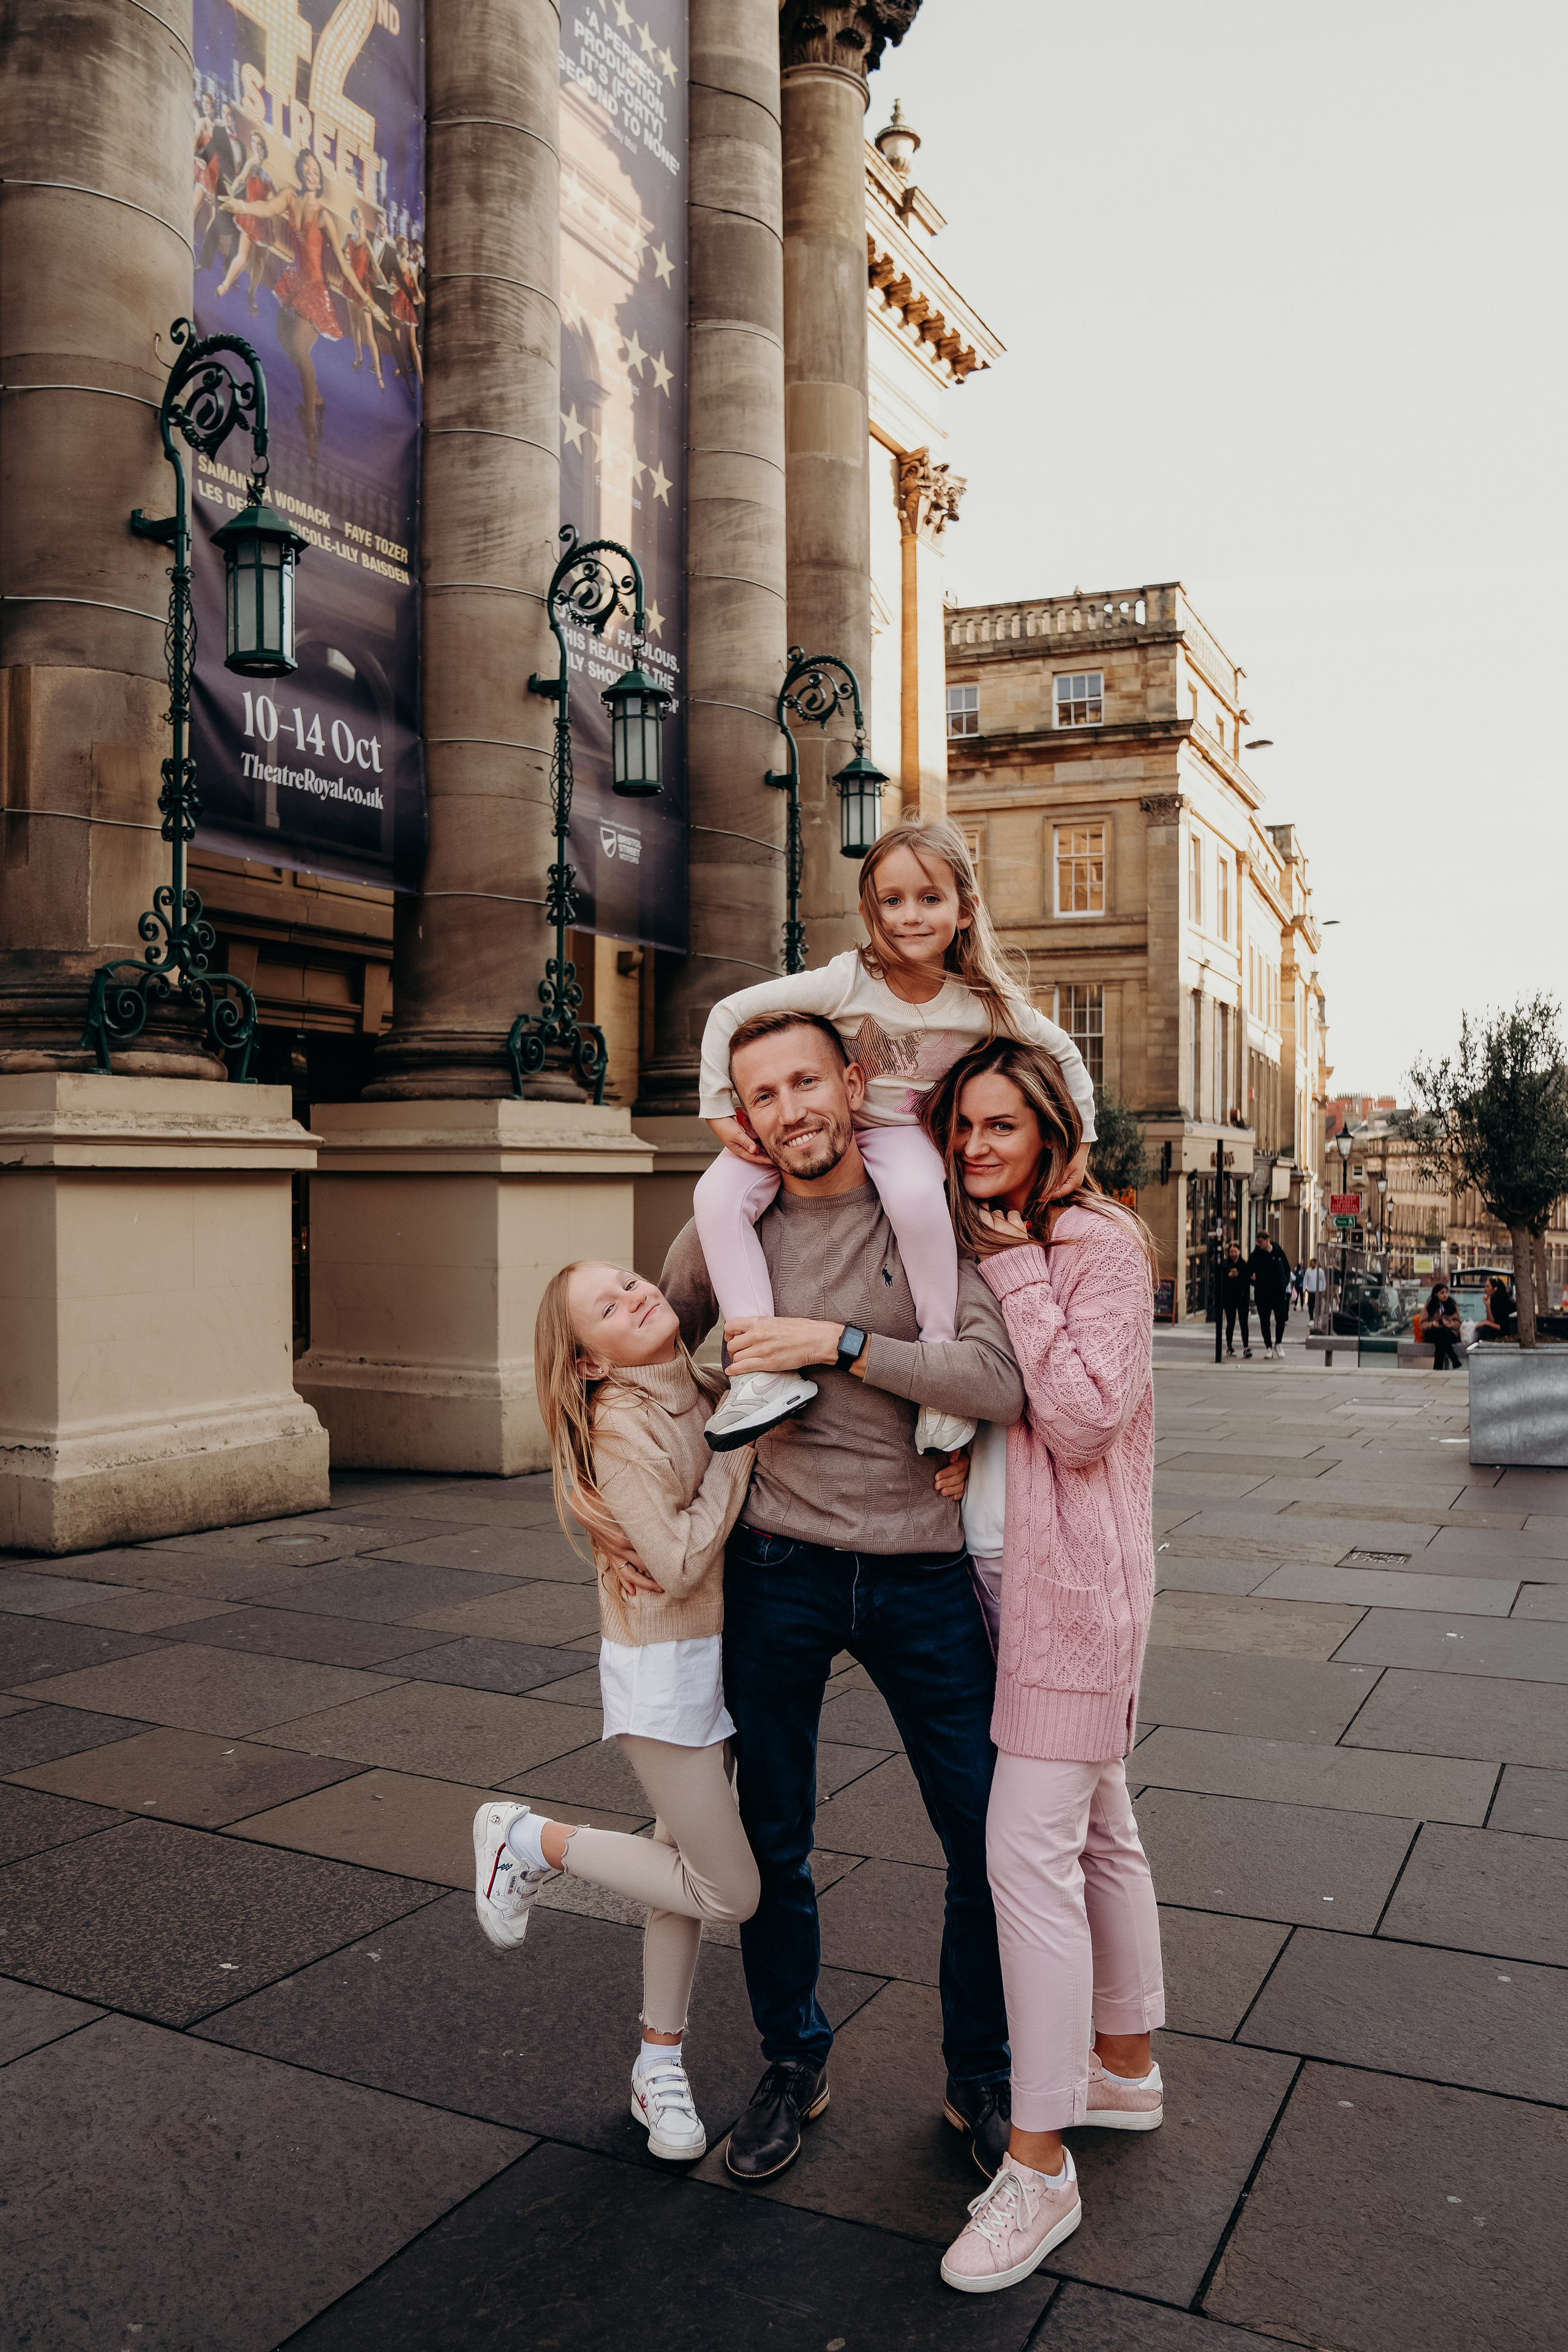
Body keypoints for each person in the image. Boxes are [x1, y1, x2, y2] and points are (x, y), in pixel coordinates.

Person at [653, 1007, 1028, 2182]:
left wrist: (840, 1345)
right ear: (745, 1119)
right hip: (780, 1563)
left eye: (806, 1083)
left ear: (851, 1083)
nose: (791, 1111)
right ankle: (792, 2061)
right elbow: (651, 1350)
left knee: (981, 1838)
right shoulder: (725, 1229)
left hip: (920, 1568)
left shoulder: (932, 1214)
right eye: (764, 1097)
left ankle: (981, 2074)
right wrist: (627, 1499)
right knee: (773, 1836)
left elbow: (993, 1379)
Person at [921, 1039, 1164, 2296]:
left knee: (1022, 1855)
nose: (974, 1148)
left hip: (1071, 1599)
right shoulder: (984, 1237)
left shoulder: (1093, 1245)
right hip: (1003, 1582)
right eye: (961, 1125)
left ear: (1051, 1130)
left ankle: (1038, 2165)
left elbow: (1077, 1415)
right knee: (1098, 1832)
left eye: (1000, 1126)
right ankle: (1120, 2066)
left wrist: (1015, 1266)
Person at [472, 1259, 764, 2163]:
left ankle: (657, 2063)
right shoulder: (621, 1422)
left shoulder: (710, 1383)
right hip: (668, 1678)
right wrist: (744, 1441)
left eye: (633, 1281)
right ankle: (526, 1840)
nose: (638, 1296)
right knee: (729, 1891)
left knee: (674, 1869)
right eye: (609, 1306)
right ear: (590, 1360)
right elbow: (676, 1563)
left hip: (727, 1665)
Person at [693, 819, 1097, 1458]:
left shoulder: (982, 1003)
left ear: (966, 910)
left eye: (929, 899)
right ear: (868, 910)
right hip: (829, 1124)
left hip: (903, 1134)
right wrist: (719, 1109)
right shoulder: (847, 980)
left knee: (915, 1198)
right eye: (892, 900)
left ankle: (939, 1363)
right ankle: (760, 1370)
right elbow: (728, 1013)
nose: (910, 916)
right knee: (714, 1197)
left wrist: (1082, 1140)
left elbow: (1063, 1053)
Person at [224, 150, 381, 462]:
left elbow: (343, 263)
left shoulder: (323, 216)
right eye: (307, 169)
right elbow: (267, 208)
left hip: (314, 289)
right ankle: (318, 401)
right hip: (293, 281)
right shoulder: (289, 198)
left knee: (299, 345)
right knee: (285, 341)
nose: (313, 173)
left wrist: (368, 301)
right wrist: (240, 204)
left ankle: (310, 430)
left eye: (317, 170)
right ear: (299, 171)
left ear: (320, 177)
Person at [1249, 1231, 1292, 1359]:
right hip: (1263, 1293)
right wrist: (1254, 1280)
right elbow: (1248, 1272)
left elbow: (1287, 1268)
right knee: (1265, 1321)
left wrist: (1284, 1283)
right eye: (1257, 1242)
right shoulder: (1256, 1255)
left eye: (1260, 1241)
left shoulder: (1277, 1251)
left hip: (1278, 1292)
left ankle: (1278, 1343)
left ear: (1267, 1240)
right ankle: (1268, 1347)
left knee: (1281, 1318)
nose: (1258, 1244)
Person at [1220, 1240, 1252, 1359]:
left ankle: (1246, 1347)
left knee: (1244, 1323)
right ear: (1228, 1253)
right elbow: (1221, 1282)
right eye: (1231, 1252)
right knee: (1231, 1322)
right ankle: (1229, 1347)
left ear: (1239, 1252)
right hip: (1229, 1299)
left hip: (1242, 1298)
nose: (1233, 1254)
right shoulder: (1225, 1265)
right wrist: (1229, 1277)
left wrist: (1252, 1278)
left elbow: (1249, 1280)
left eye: (1235, 1251)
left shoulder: (1244, 1265)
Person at [1425, 1281, 1463, 1371]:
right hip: (1433, 1332)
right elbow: (1423, 1324)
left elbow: (1458, 1324)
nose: (1445, 1295)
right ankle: (1454, 1358)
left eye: (1447, 1292)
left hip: (1450, 1334)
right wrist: (1432, 1324)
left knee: (1441, 1338)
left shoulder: (1453, 1306)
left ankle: (1437, 1368)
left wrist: (1448, 1324)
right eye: (1442, 1293)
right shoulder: (1429, 1306)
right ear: (1436, 1294)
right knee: (1440, 1334)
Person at [1476, 1275, 1514, 1341]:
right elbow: (1491, 1321)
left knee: (1485, 1329)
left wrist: (1486, 1323)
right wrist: (1487, 1305)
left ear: (1495, 1288)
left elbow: (1504, 1328)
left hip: (1505, 1333)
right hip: (1496, 1331)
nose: (1485, 1289)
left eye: (1487, 1286)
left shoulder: (1506, 1303)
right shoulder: (1493, 1300)